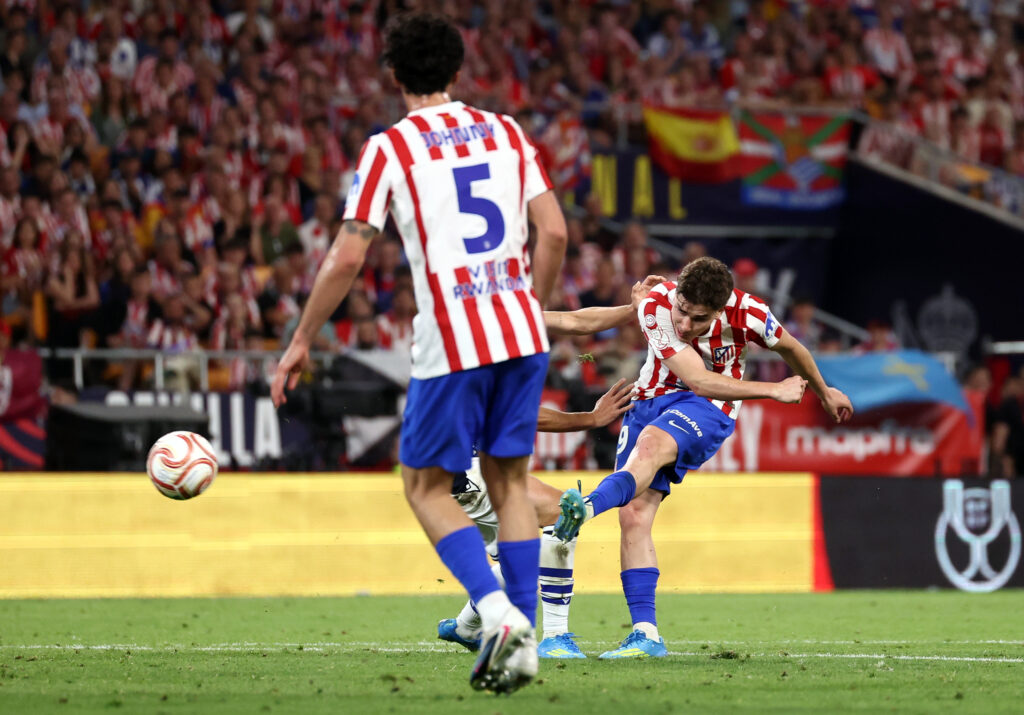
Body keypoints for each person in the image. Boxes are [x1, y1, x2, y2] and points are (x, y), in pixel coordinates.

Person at [270, 13, 567, 695]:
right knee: (510, 483)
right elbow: (552, 232)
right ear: (458, 71)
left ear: (394, 75)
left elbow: (349, 255)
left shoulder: (390, 148)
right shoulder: (506, 131)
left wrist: (303, 337)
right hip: (521, 333)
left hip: (454, 336)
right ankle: (523, 633)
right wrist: (533, 308)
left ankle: (498, 617)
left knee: (424, 486)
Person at [553, 257, 853, 658]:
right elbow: (694, 376)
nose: (684, 325)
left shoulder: (749, 313)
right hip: (651, 401)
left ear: (721, 308)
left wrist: (824, 391)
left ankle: (586, 508)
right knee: (634, 514)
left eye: (699, 319)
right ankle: (646, 635)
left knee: (651, 445)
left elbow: (791, 347)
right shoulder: (658, 305)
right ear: (676, 295)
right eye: (682, 311)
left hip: (709, 406)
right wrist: (771, 389)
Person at [439, 278, 662, 660]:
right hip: (467, 469)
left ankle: (465, 627)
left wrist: (635, 309)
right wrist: (590, 419)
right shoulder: (478, 349)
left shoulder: (486, 331)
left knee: (520, 554)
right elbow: (518, 415)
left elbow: (576, 321)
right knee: (564, 513)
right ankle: (555, 637)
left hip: (455, 472)